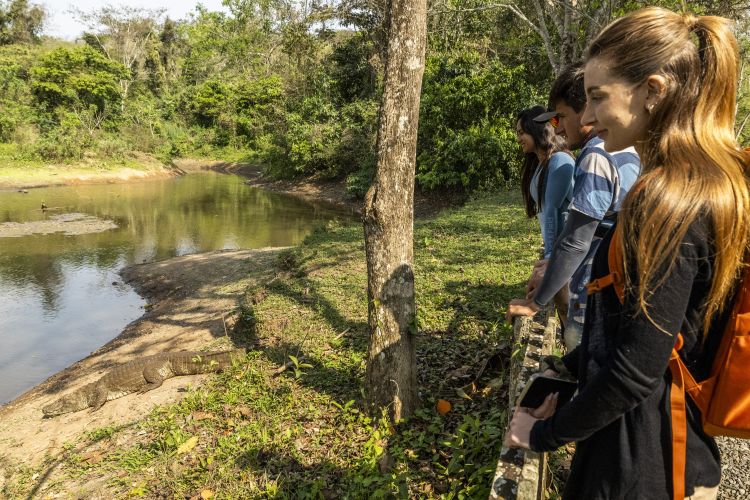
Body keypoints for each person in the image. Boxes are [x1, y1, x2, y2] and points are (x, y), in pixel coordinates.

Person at [504, 7, 750, 500]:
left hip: (644, 459)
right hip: (685, 447)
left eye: (597, 97)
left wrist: (546, 434)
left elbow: (636, 370)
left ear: (654, 91)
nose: (587, 117)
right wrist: (571, 368)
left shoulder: (665, 200)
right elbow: (659, 326)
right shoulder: (718, 180)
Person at [506, 63, 640, 351]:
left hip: (597, 280)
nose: (560, 127)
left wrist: (536, 301)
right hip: (622, 279)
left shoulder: (595, 157)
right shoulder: (630, 148)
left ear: (588, 108)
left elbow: (578, 239)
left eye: (562, 117)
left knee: (582, 353)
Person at [516, 105, 575, 259]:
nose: (518, 139)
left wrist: (550, 254)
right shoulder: (539, 165)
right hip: (554, 248)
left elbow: (552, 210)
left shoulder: (560, 160)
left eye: (521, 133)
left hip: (565, 250)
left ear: (535, 130)